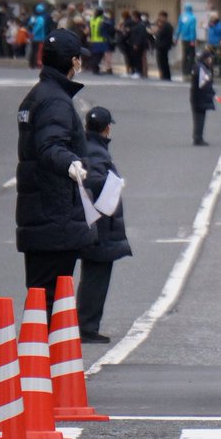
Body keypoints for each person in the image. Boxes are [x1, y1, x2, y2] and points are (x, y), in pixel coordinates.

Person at [16, 29, 95, 310]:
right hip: (54, 216)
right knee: (49, 300)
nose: (80, 64)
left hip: (39, 215)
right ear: (72, 61)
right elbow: (50, 146)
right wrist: (72, 164)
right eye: (78, 59)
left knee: (41, 297)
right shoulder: (55, 101)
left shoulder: (37, 95)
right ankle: (42, 354)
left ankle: (40, 351)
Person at [78, 107, 132, 344]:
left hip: (90, 223)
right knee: (96, 278)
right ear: (106, 127)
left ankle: (84, 324)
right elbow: (96, 182)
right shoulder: (98, 153)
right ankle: (87, 327)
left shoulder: (85, 147)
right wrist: (114, 184)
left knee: (91, 275)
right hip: (100, 225)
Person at [189, 50, 216, 146]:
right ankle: (198, 138)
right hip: (200, 97)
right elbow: (204, 84)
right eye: (210, 58)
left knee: (198, 117)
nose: (211, 60)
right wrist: (211, 94)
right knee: (200, 118)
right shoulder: (202, 69)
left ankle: (197, 137)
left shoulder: (198, 67)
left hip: (195, 96)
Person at [174, 4, 198, 79]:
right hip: (190, 39)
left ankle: (184, 70)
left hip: (183, 39)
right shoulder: (192, 18)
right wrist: (192, 40)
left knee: (185, 54)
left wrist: (176, 37)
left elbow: (179, 28)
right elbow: (192, 30)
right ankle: (190, 70)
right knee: (191, 55)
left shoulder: (182, 16)